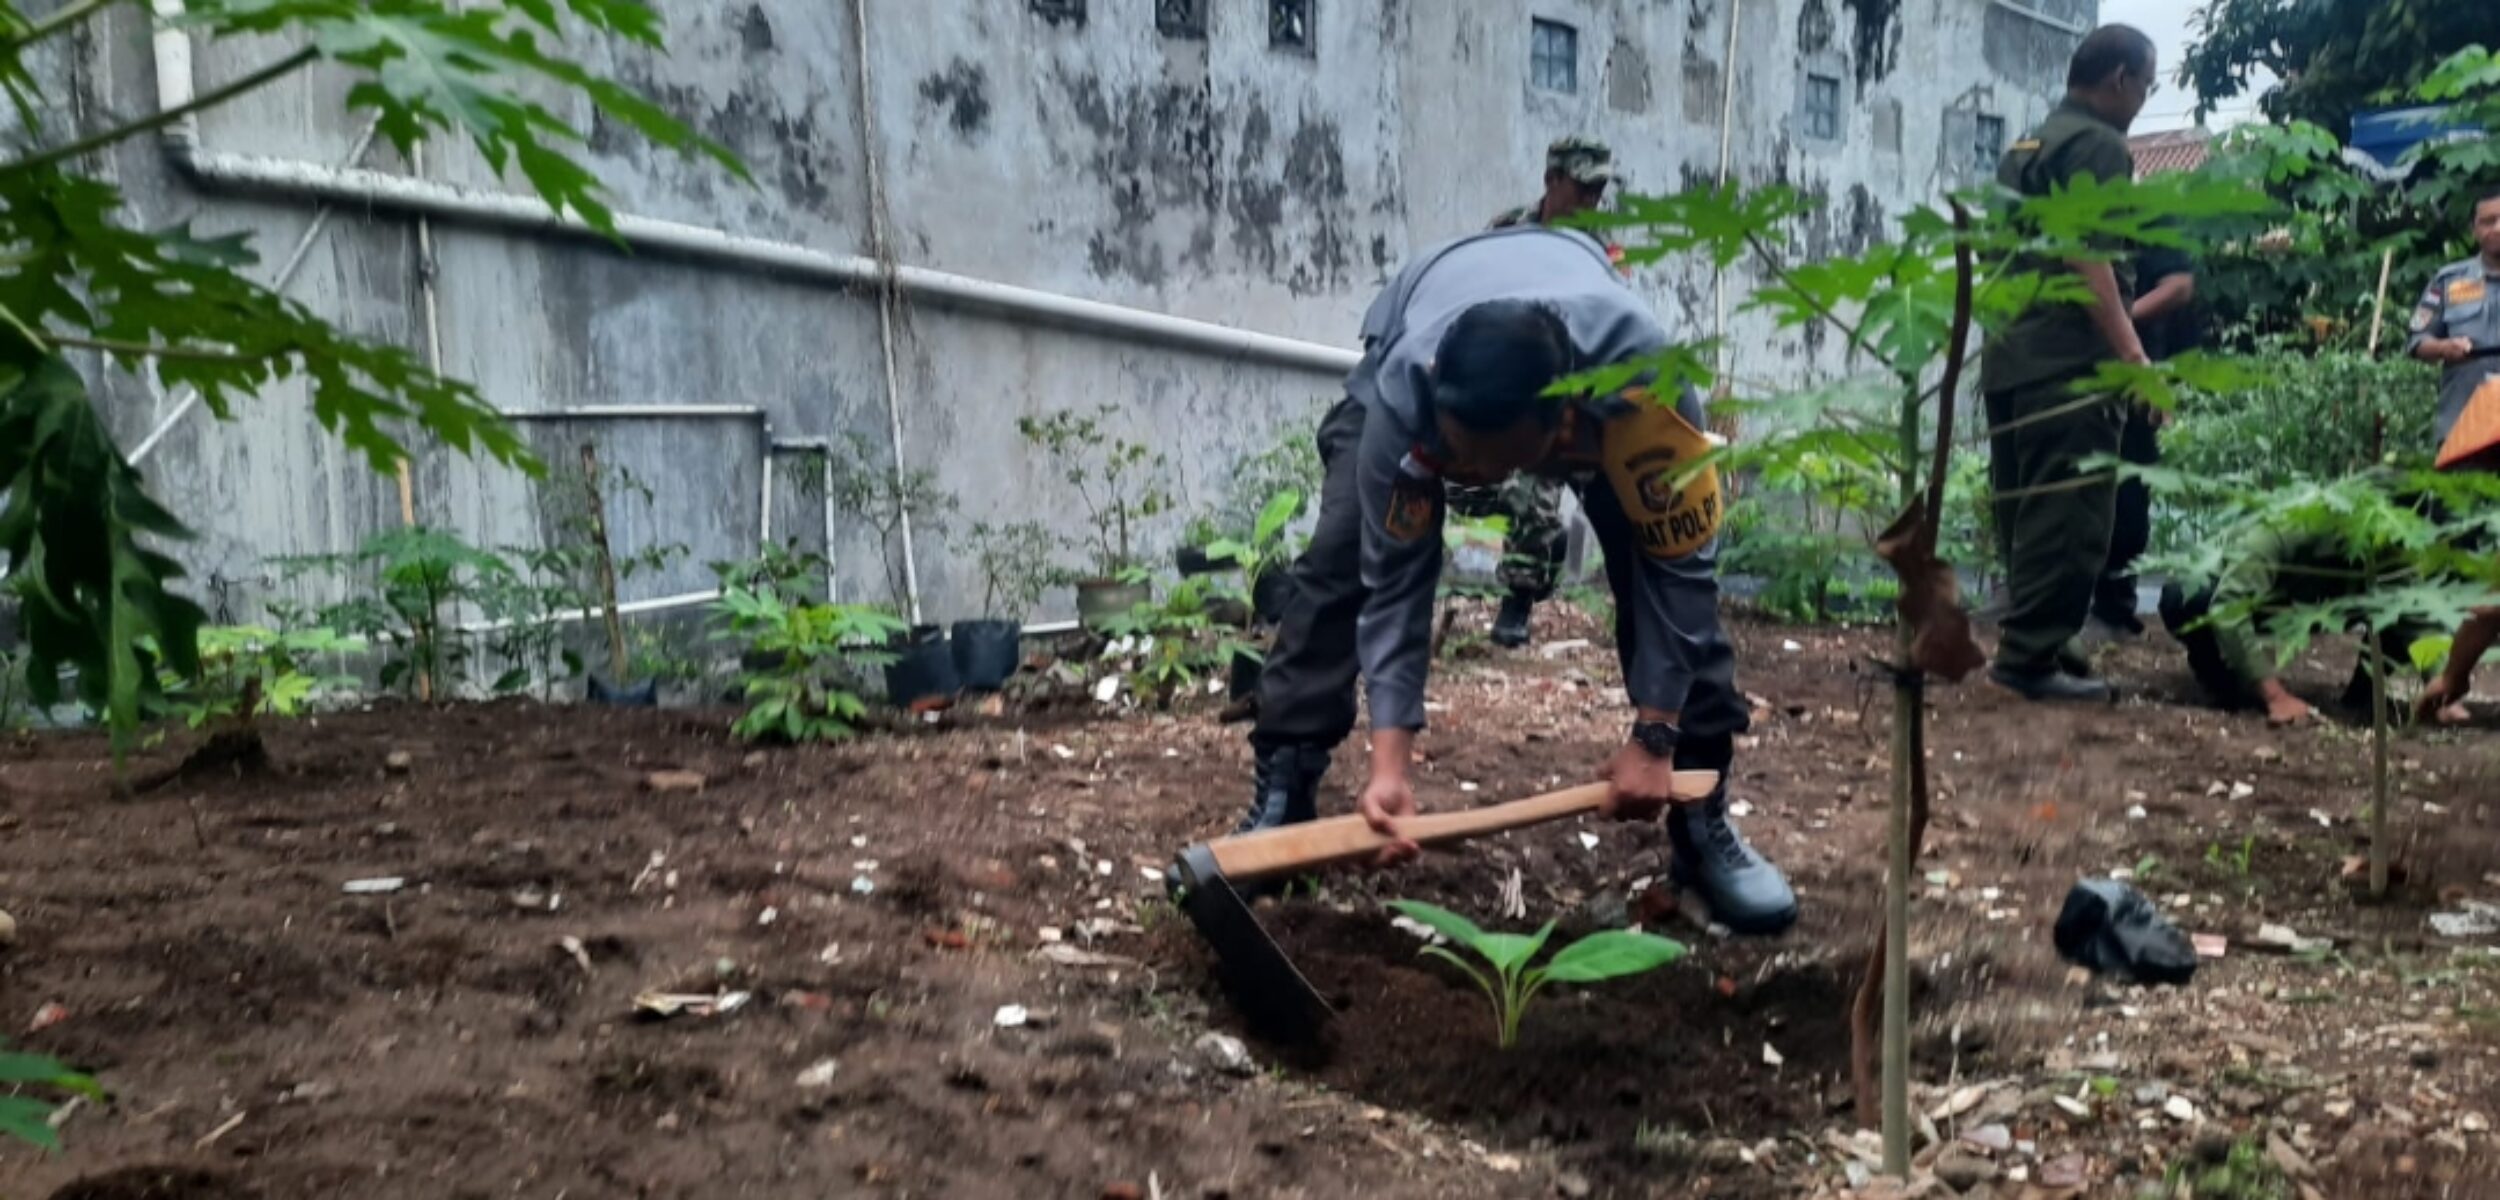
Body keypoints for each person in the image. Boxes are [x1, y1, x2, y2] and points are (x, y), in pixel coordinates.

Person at [1236, 223, 1798, 935]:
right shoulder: (1410, 395)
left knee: (1658, 564)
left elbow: (1681, 576)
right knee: (1342, 557)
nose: (1466, 481)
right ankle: (1286, 791)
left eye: (1487, 467)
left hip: (1596, 363)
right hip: (1424, 305)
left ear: (1562, 435)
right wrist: (1389, 770)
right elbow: (1394, 588)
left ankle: (1701, 817)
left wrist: (1656, 737)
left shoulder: (1645, 394)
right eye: (1455, 458)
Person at [1981, 25, 2159, 702]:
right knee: (2072, 514)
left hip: (2010, 355)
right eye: (2147, 84)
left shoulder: (2031, 142)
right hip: (2065, 361)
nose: (2145, 98)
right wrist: (2135, 358)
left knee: (2026, 511)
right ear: (2119, 79)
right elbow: (2089, 258)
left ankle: (2046, 641)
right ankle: (2028, 661)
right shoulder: (2099, 146)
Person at [1453, 137, 1621, 648]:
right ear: (1551, 181)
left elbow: (1613, 313)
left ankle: (1519, 598)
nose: (1591, 201)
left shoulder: (1602, 246)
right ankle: (1543, 556)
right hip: (1504, 374)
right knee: (1468, 488)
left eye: (1598, 190)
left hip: (1567, 387)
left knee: (1541, 490)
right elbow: (1471, 292)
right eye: (1581, 187)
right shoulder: (1507, 232)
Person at [2160, 520, 2447, 727]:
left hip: (2314, 605)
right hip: (2240, 593)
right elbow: (2227, 607)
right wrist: (2276, 697)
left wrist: (2444, 685)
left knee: (2397, 604)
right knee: (2185, 600)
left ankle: (2363, 696)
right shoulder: (2282, 529)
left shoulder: (2391, 546)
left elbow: (2415, 613)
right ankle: (2222, 683)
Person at [2404, 190, 2500, 724]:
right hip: (2465, 429)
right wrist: (2445, 348)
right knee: (2455, 549)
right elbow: (2416, 339)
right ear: (2474, 229)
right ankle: (2445, 682)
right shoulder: (2449, 281)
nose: (2497, 228)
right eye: (2487, 220)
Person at [2089, 237, 2199, 638]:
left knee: (2127, 489)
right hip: (2081, 366)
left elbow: (2180, 285)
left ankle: (2115, 609)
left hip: (2136, 369)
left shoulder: (2150, 216)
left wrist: (2115, 316)